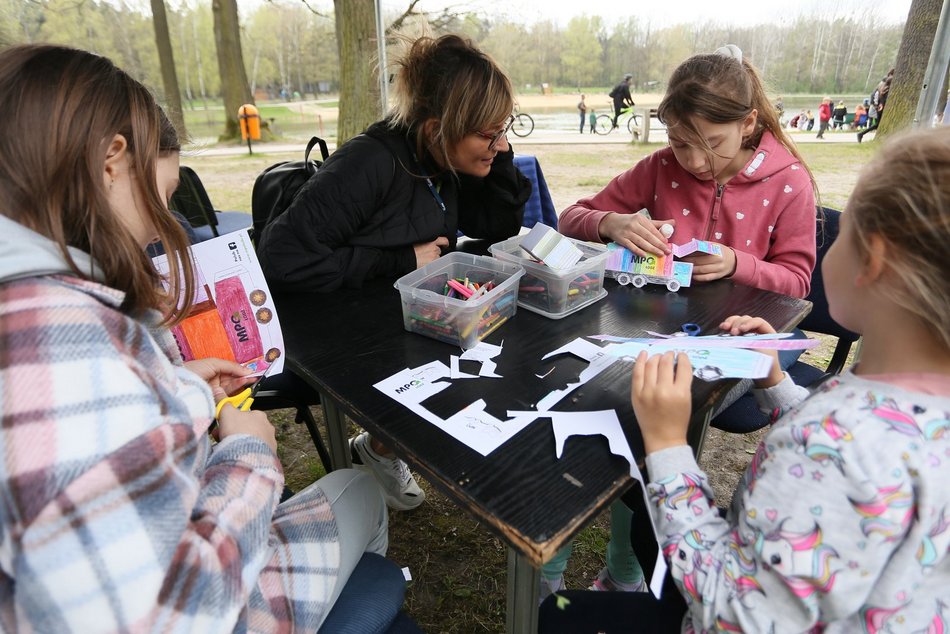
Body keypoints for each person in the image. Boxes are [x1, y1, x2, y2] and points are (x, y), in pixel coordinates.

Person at [0, 44, 394, 631]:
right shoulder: (57, 346)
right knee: (361, 492)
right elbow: (166, 614)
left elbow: (94, 455)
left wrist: (178, 390)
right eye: (163, 195)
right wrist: (250, 460)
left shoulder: (33, 310)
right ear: (112, 162)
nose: (159, 225)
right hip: (214, 604)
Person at [540, 124, 950, 633]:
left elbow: (735, 614)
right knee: (642, 518)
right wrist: (777, 384)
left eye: (845, 234)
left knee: (555, 618)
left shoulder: (829, 446)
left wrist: (668, 447)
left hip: (724, 607)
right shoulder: (899, 411)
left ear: (876, 260)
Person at [552, 44, 817, 599]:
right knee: (610, 412)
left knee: (641, 428)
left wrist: (740, 263)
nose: (694, 162)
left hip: (741, 347)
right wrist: (612, 223)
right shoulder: (661, 167)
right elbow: (571, 217)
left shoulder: (789, 182)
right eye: (678, 142)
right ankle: (577, 565)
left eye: (712, 144)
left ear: (748, 124)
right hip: (654, 334)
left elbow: (797, 282)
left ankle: (624, 569)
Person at [257, 34, 531, 511]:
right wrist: (404, 260)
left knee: (497, 341)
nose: (499, 144)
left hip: (396, 307)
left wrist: (499, 154)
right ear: (436, 129)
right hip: (334, 329)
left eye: (504, 128)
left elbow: (496, 224)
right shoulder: (368, 163)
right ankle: (380, 447)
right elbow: (281, 260)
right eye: (488, 135)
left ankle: (381, 446)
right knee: (466, 364)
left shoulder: (440, 158)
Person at [859, 71, 893, 142]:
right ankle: (861, 134)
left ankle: (861, 134)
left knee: (878, 125)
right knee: (877, 125)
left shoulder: (883, 88)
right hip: (881, 109)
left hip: (880, 109)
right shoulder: (887, 90)